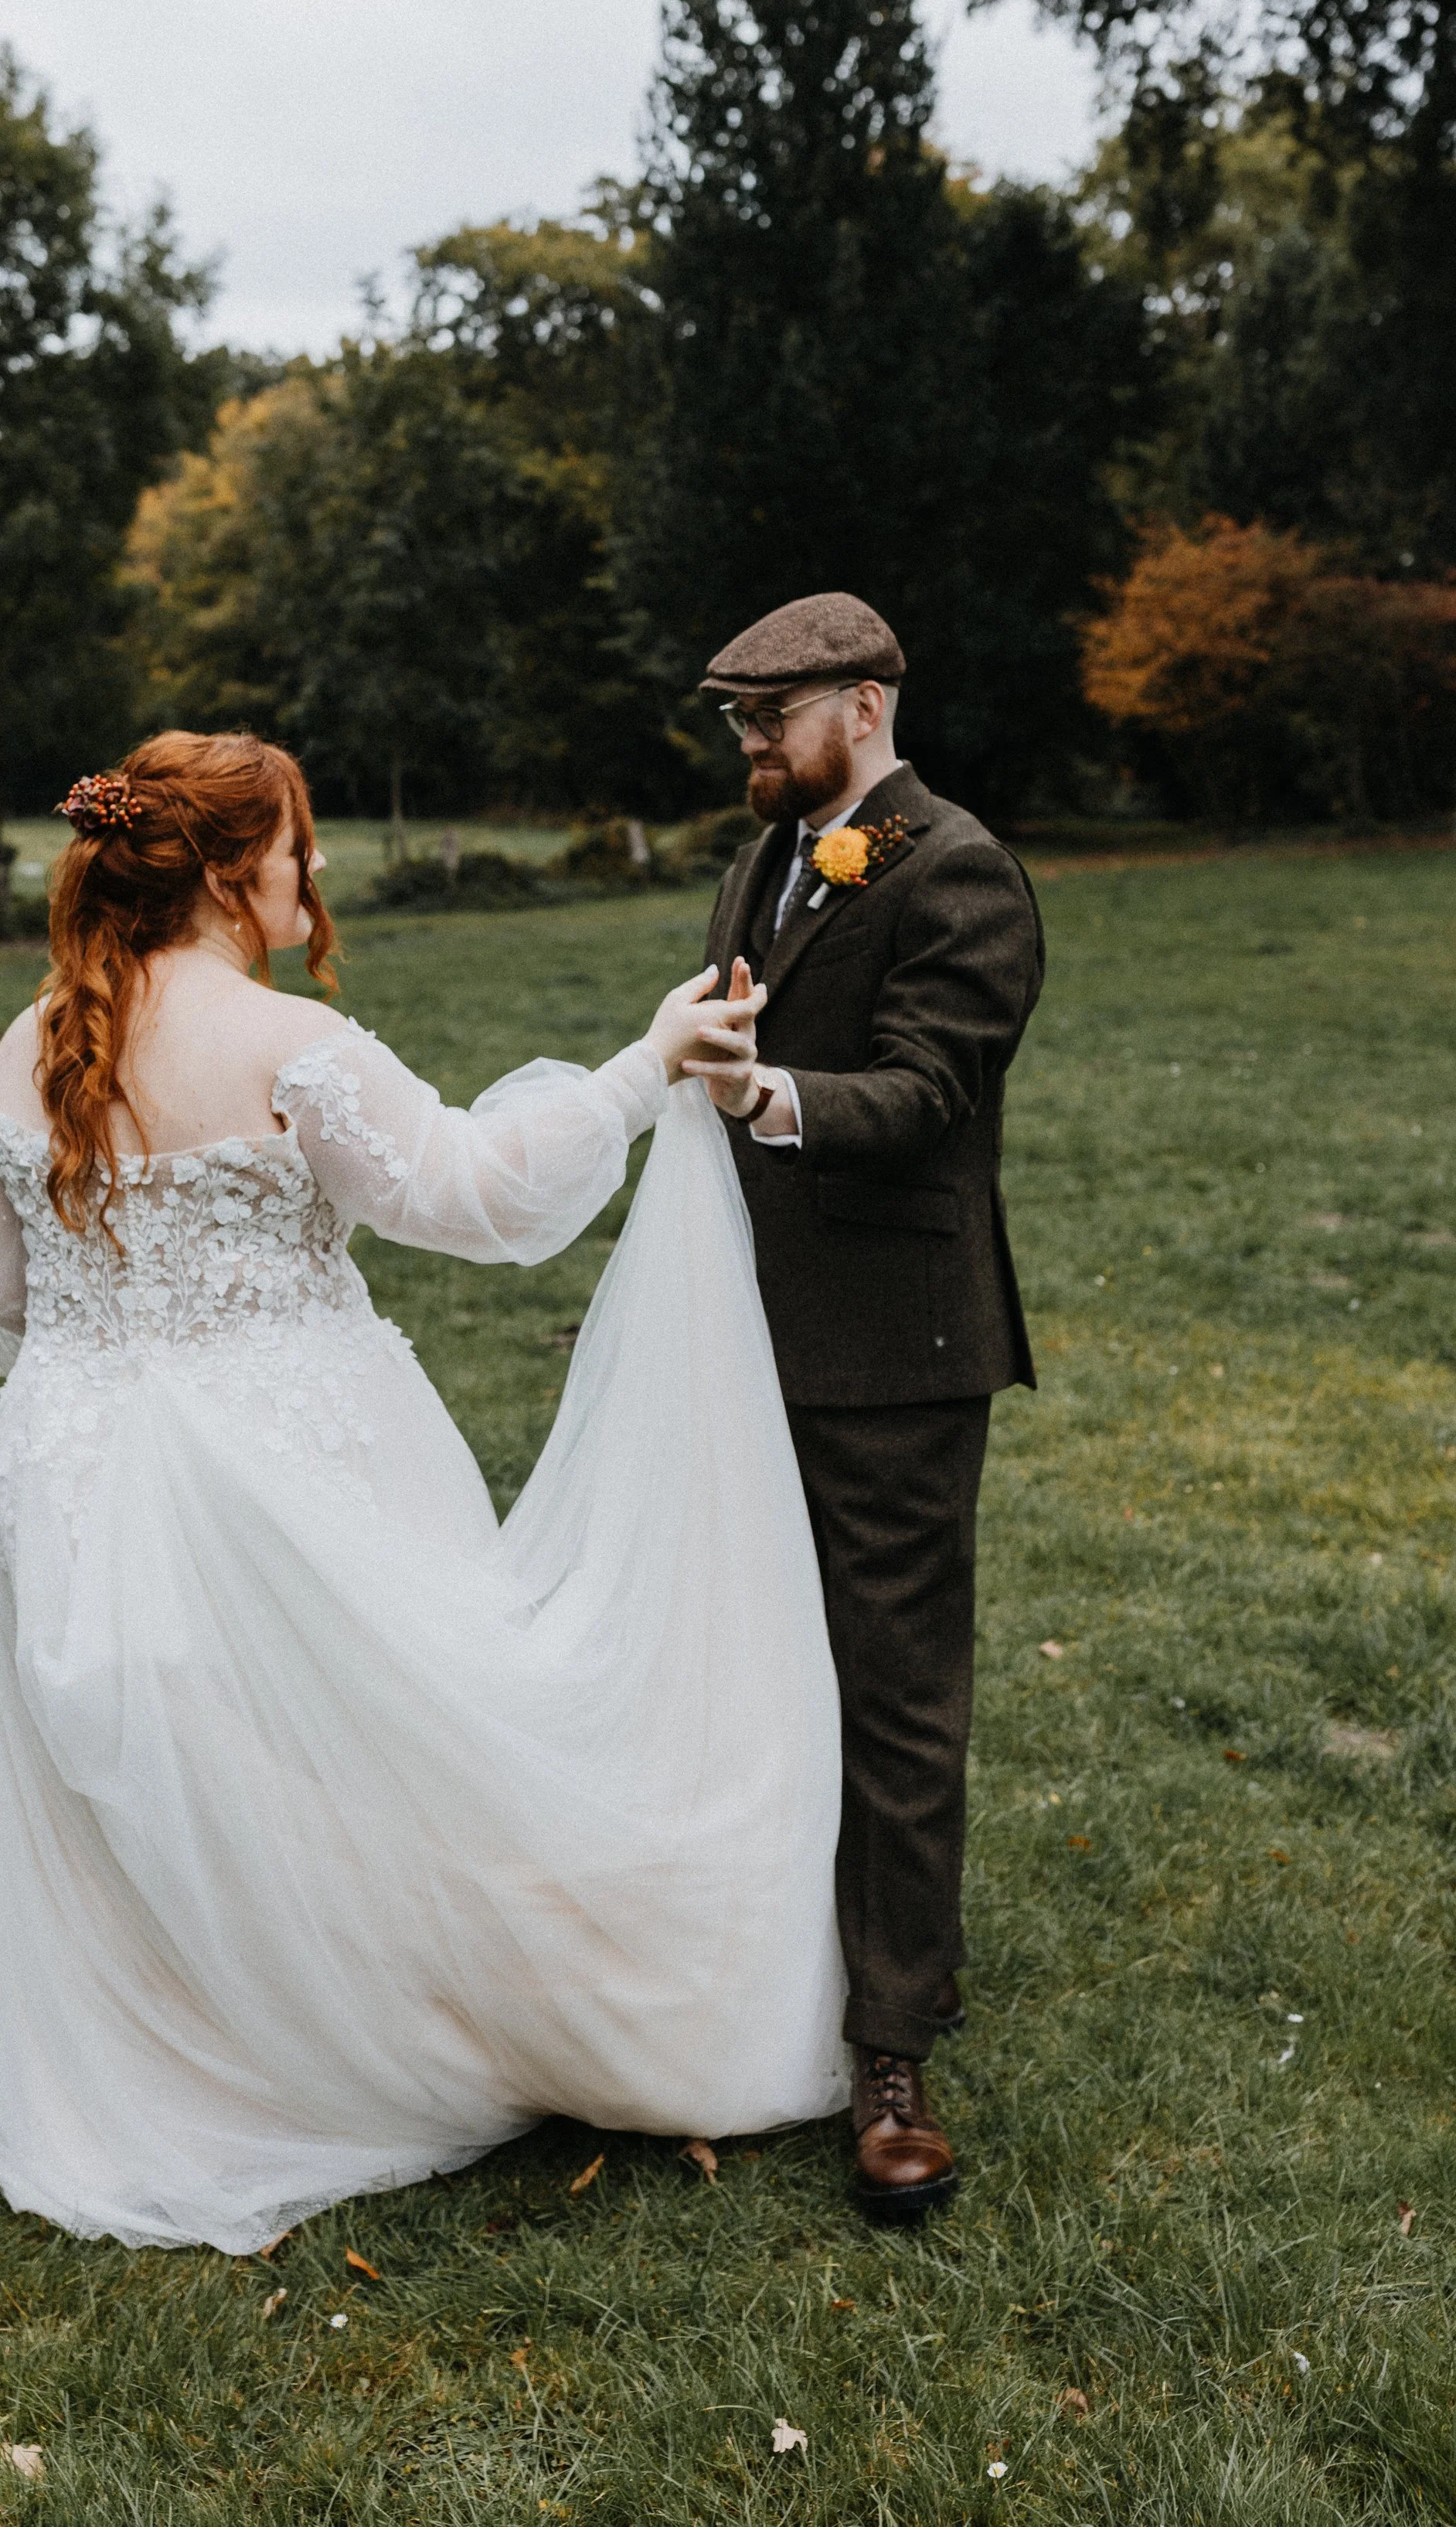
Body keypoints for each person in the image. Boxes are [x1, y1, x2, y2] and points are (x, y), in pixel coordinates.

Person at [0, 727, 848, 2253]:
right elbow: (476, 1197)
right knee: (356, 1756)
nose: (317, 868)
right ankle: (376, 2027)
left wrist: (116, 1349)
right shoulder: (287, 1044)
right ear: (233, 871)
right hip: (289, 1455)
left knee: (163, 1776)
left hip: (69, 1464)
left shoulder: (31, 1043)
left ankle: (193, 2041)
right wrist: (644, 1068)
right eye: (297, 844)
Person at [688, 591, 1045, 2221]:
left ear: (865, 704)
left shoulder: (957, 869)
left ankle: (891, 2051)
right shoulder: (762, 857)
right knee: (758, 1669)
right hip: (744, 1337)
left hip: (895, 1350)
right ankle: (767, 1975)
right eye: (739, 722)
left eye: (772, 718)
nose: (752, 744)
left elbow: (925, 1088)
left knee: (894, 1703)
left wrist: (766, 1094)